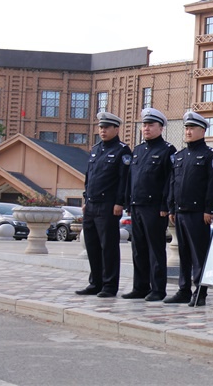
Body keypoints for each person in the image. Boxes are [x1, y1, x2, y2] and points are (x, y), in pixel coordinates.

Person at [165, 112, 213, 307]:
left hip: (198, 213)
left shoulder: (209, 155)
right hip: (180, 212)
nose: (188, 132)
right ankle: (183, 290)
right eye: (186, 128)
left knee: (199, 254)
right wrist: (171, 207)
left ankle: (200, 291)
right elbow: (173, 182)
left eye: (192, 128)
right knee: (184, 253)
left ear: (202, 131)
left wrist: (208, 209)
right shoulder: (179, 156)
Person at [122, 108, 176, 302]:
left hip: (154, 208)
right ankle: (140, 286)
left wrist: (165, 205)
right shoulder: (138, 150)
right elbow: (131, 179)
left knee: (155, 249)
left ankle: (158, 289)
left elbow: (170, 180)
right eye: (144, 125)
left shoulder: (167, 150)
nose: (146, 128)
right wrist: (128, 201)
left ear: (161, 128)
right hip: (137, 206)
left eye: (151, 125)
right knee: (138, 249)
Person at [76, 112, 131, 298]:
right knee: (92, 246)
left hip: (108, 205)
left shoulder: (122, 151)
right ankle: (95, 282)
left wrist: (119, 202)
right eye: (101, 127)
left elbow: (124, 179)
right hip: (91, 205)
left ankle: (109, 286)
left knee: (108, 247)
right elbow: (89, 177)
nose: (103, 131)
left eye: (106, 128)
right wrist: (86, 198)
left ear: (116, 129)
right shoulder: (95, 149)